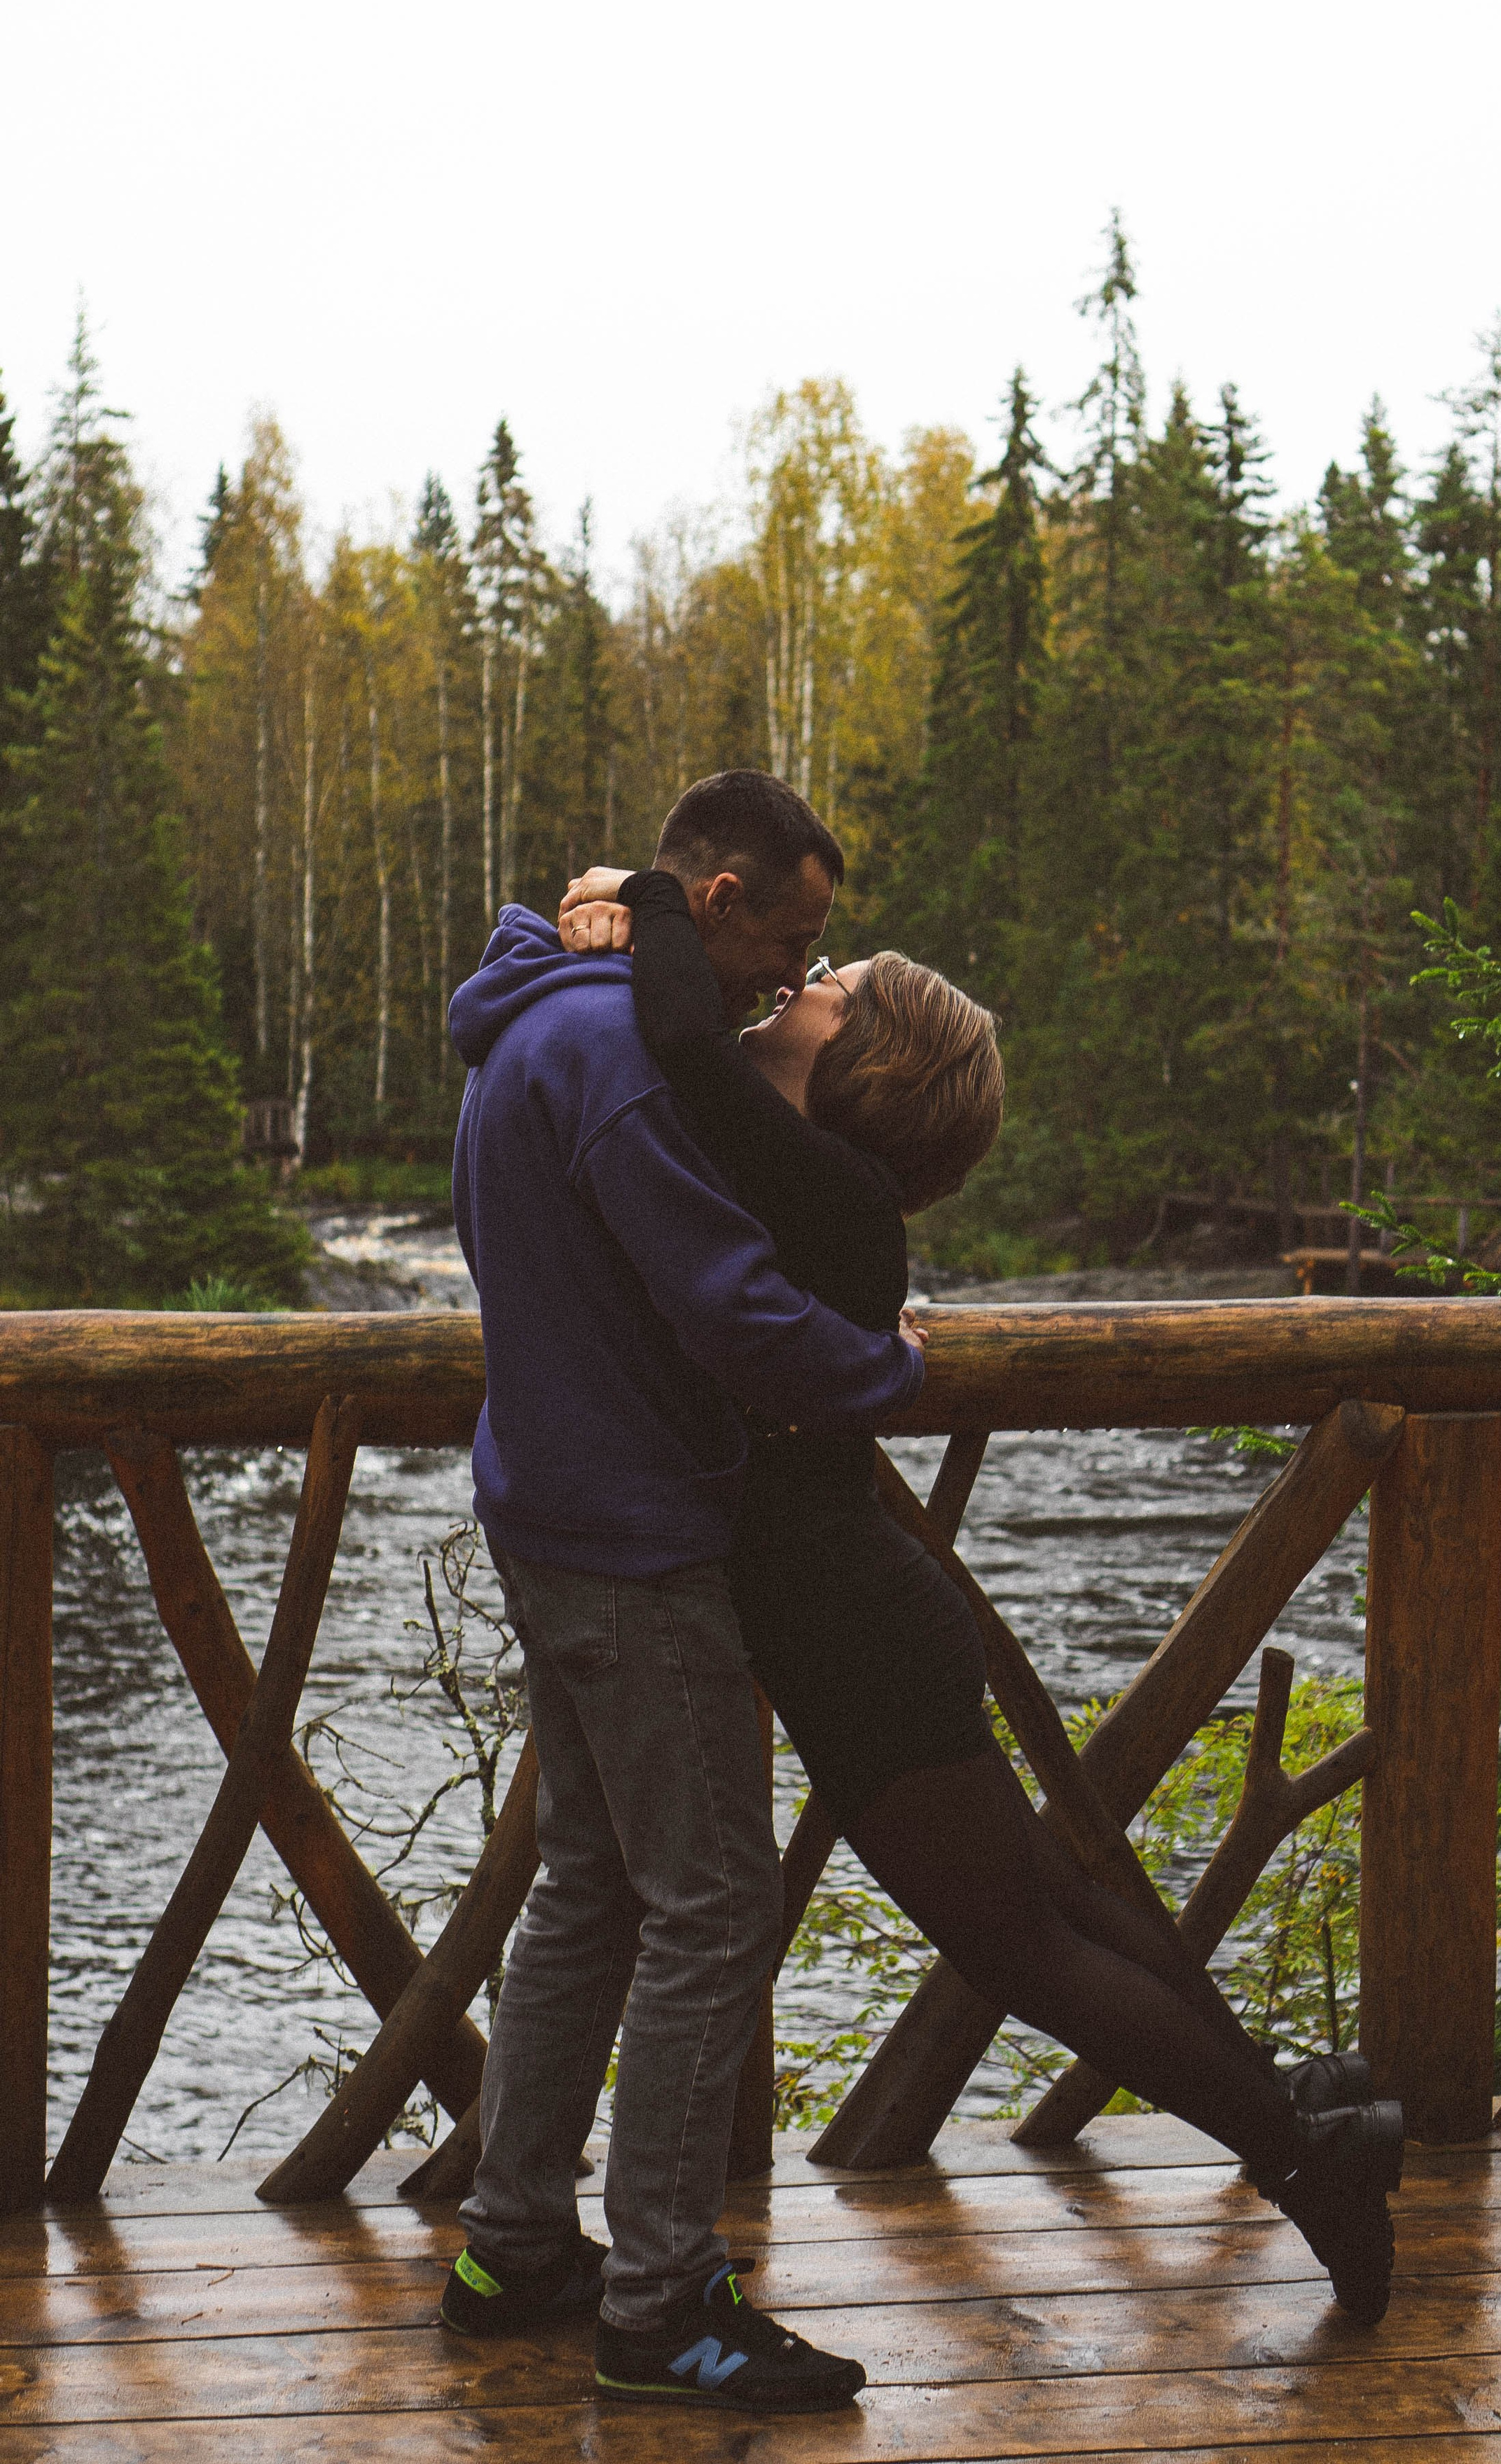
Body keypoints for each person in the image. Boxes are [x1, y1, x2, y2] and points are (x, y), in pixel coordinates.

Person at [558, 857, 1406, 2325]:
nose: (797, 986)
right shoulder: (815, 1182)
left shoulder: (811, 1174)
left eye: (825, 986)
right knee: (1044, 1906)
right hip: (859, 1611)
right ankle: (1303, 2115)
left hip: (850, 1629)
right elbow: (684, 1057)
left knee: (1016, 1944)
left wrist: (639, 900)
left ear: (865, 1061)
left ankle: (1300, 2160)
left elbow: (678, 1040)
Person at [441, 771, 925, 2416]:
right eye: (785, 944)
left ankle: (513, 2240)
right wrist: (890, 1367)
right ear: (711, 899)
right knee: (712, 1905)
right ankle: (657, 2306)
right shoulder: (621, 1065)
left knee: (592, 1881)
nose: (790, 984)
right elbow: (731, 1311)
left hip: (544, 1506)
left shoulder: (542, 1011)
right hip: (635, 1544)